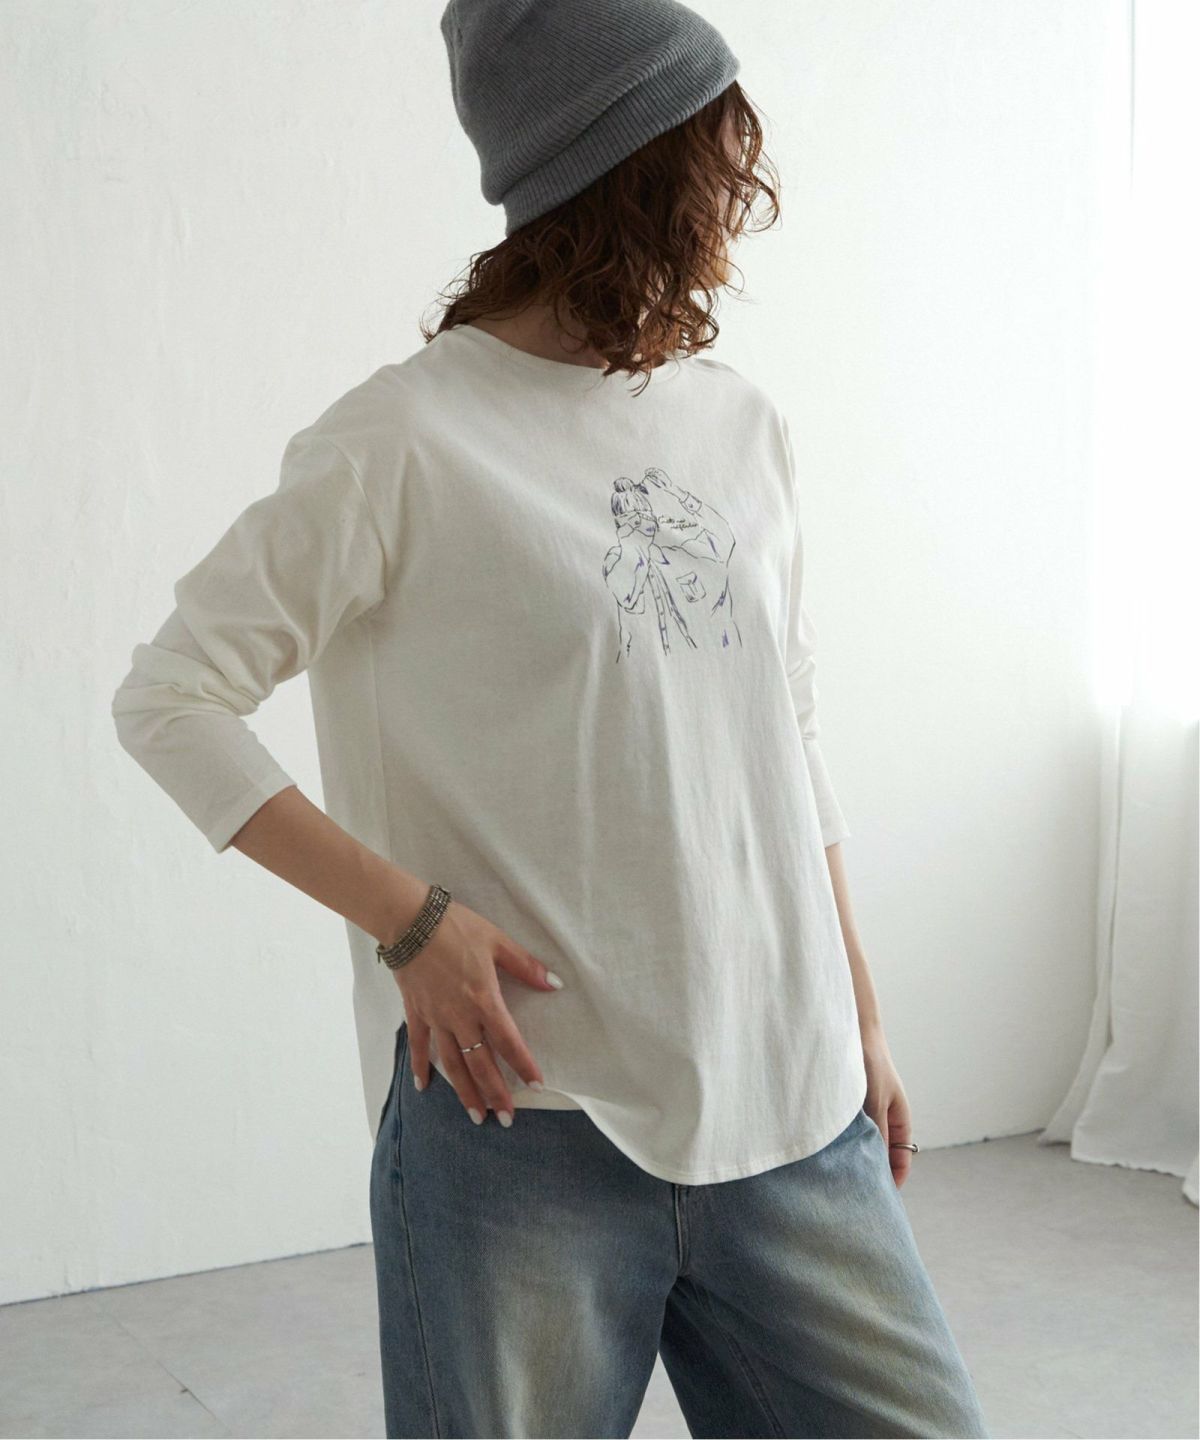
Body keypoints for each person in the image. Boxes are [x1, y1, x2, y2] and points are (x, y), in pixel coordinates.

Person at [110, 0, 991, 1435]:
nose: (740, 194)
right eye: (712, 154)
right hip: (529, 1131)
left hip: (789, 1102)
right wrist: (409, 922)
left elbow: (787, 735)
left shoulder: (740, 426)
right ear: (628, 169)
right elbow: (172, 697)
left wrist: (863, 1018)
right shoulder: (404, 441)